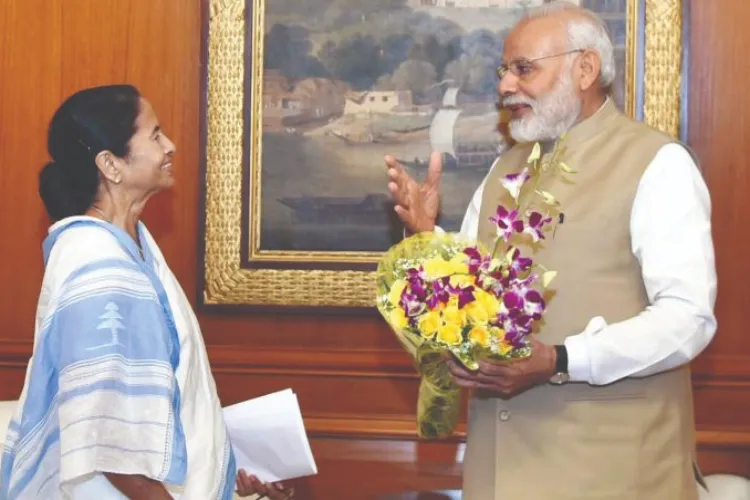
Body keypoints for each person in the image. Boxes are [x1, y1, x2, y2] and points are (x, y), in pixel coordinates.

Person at [384, 2, 716, 499]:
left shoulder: (657, 163)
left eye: (524, 69)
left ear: (585, 69)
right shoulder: (504, 169)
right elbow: (475, 303)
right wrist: (429, 236)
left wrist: (562, 360)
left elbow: (689, 319)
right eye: (505, 70)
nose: (505, 86)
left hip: (613, 474)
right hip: (499, 470)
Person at [0, 85, 288, 500]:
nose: (169, 146)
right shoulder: (95, 259)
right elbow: (109, 440)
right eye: (154, 136)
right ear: (111, 164)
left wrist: (231, 464)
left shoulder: (131, 248)